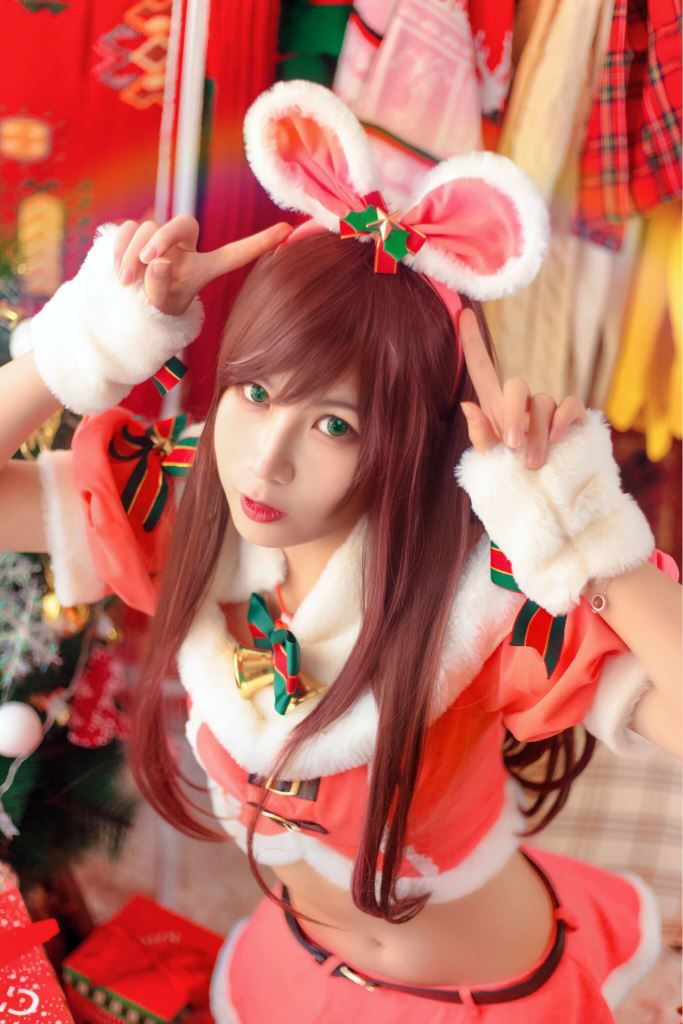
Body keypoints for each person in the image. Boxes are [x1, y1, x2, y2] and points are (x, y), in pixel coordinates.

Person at [0, 81, 680, 1022]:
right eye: (253, 394)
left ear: (407, 443)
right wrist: (87, 345)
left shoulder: (476, 599)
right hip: (300, 968)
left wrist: (587, 537)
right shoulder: (193, 511)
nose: (266, 461)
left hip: (480, 993)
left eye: (333, 424)